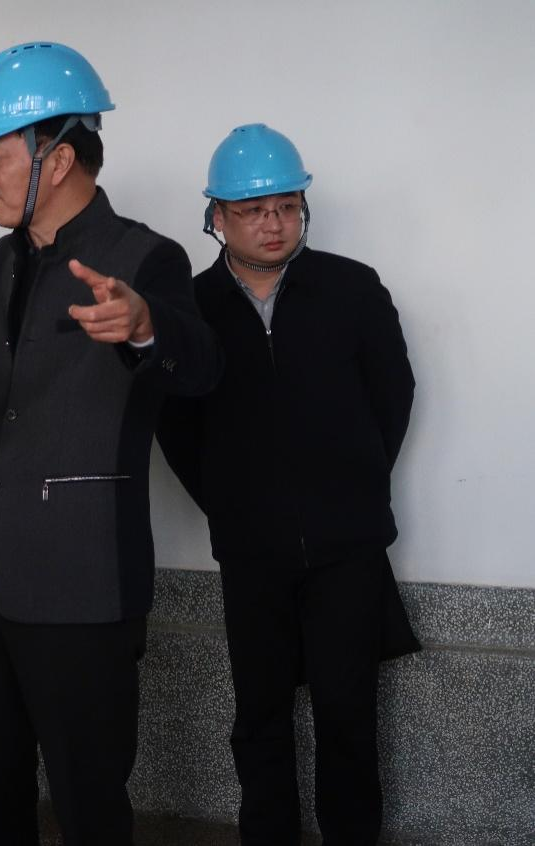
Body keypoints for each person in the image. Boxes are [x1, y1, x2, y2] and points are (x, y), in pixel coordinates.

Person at [0, 42, 221, 844]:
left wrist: (145, 326)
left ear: (57, 158)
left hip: (80, 583)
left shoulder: (145, 258)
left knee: (88, 802)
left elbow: (200, 366)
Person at [156, 123, 419, 845]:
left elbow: (391, 398)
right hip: (251, 550)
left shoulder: (352, 289)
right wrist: (232, 502)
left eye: (287, 206)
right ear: (216, 215)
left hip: (347, 546)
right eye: (252, 210)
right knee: (259, 715)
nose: (273, 223)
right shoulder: (190, 309)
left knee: (347, 714)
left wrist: (352, 484)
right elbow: (175, 425)